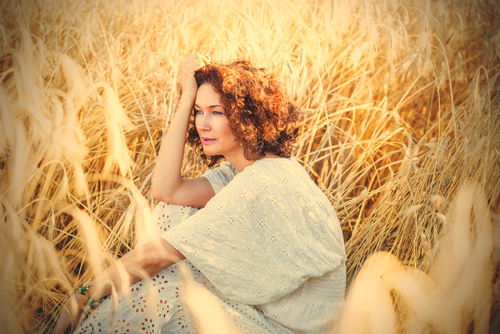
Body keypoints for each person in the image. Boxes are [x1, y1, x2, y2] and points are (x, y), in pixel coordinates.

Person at [53, 54, 346, 334]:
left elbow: (156, 258)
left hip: (286, 329)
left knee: (162, 283)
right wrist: (185, 99)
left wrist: (87, 293)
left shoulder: (261, 181)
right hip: (265, 313)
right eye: (198, 111)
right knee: (172, 212)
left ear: (248, 117)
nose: (202, 124)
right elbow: (167, 191)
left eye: (216, 112)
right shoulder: (247, 170)